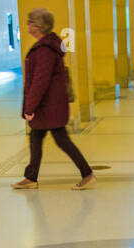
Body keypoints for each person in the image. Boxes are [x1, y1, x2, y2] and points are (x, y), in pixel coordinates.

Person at [13, 8, 95, 189]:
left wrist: (29, 107)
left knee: (61, 140)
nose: (27, 25)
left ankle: (87, 173)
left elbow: (40, 81)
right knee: (35, 138)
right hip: (48, 106)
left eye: (30, 22)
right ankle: (31, 177)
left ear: (38, 26)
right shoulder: (46, 46)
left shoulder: (44, 50)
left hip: (48, 106)